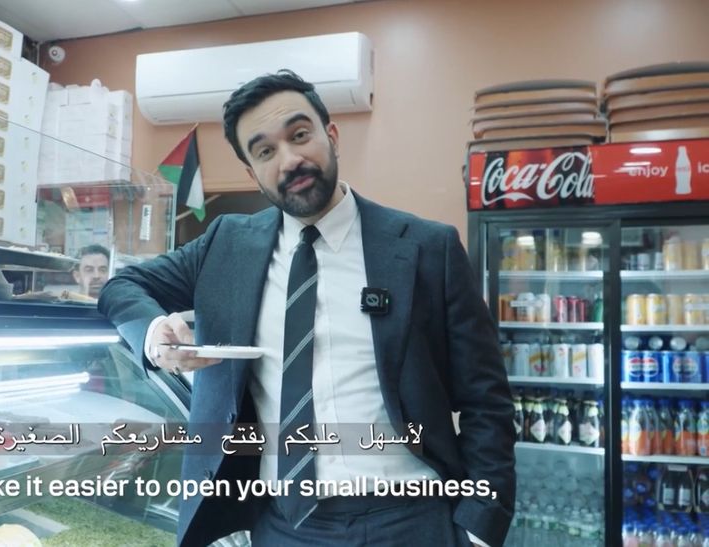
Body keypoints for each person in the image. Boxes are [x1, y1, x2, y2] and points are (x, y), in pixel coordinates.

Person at [98, 70, 514, 547]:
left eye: (300, 135)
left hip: (410, 517)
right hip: (280, 524)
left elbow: (487, 400)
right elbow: (122, 285)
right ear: (253, 173)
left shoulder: (426, 248)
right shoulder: (226, 245)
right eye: (265, 151)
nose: (290, 159)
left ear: (331, 136)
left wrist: (479, 529)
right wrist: (154, 335)